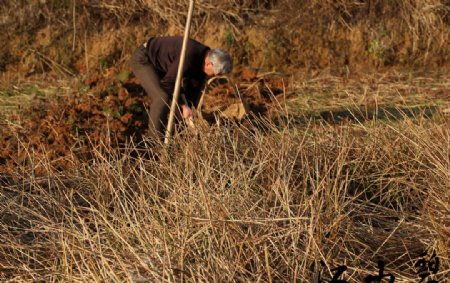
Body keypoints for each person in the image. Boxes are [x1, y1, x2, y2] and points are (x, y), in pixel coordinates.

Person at [130, 36, 233, 140]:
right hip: (145, 59)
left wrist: (189, 111)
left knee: (185, 104)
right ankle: (155, 142)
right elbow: (168, 83)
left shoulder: (202, 66)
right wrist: (184, 106)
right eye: (216, 73)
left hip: (165, 67)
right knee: (162, 97)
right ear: (209, 64)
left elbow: (192, 92)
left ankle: (178, 138)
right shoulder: (189, 56)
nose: (214, 76)